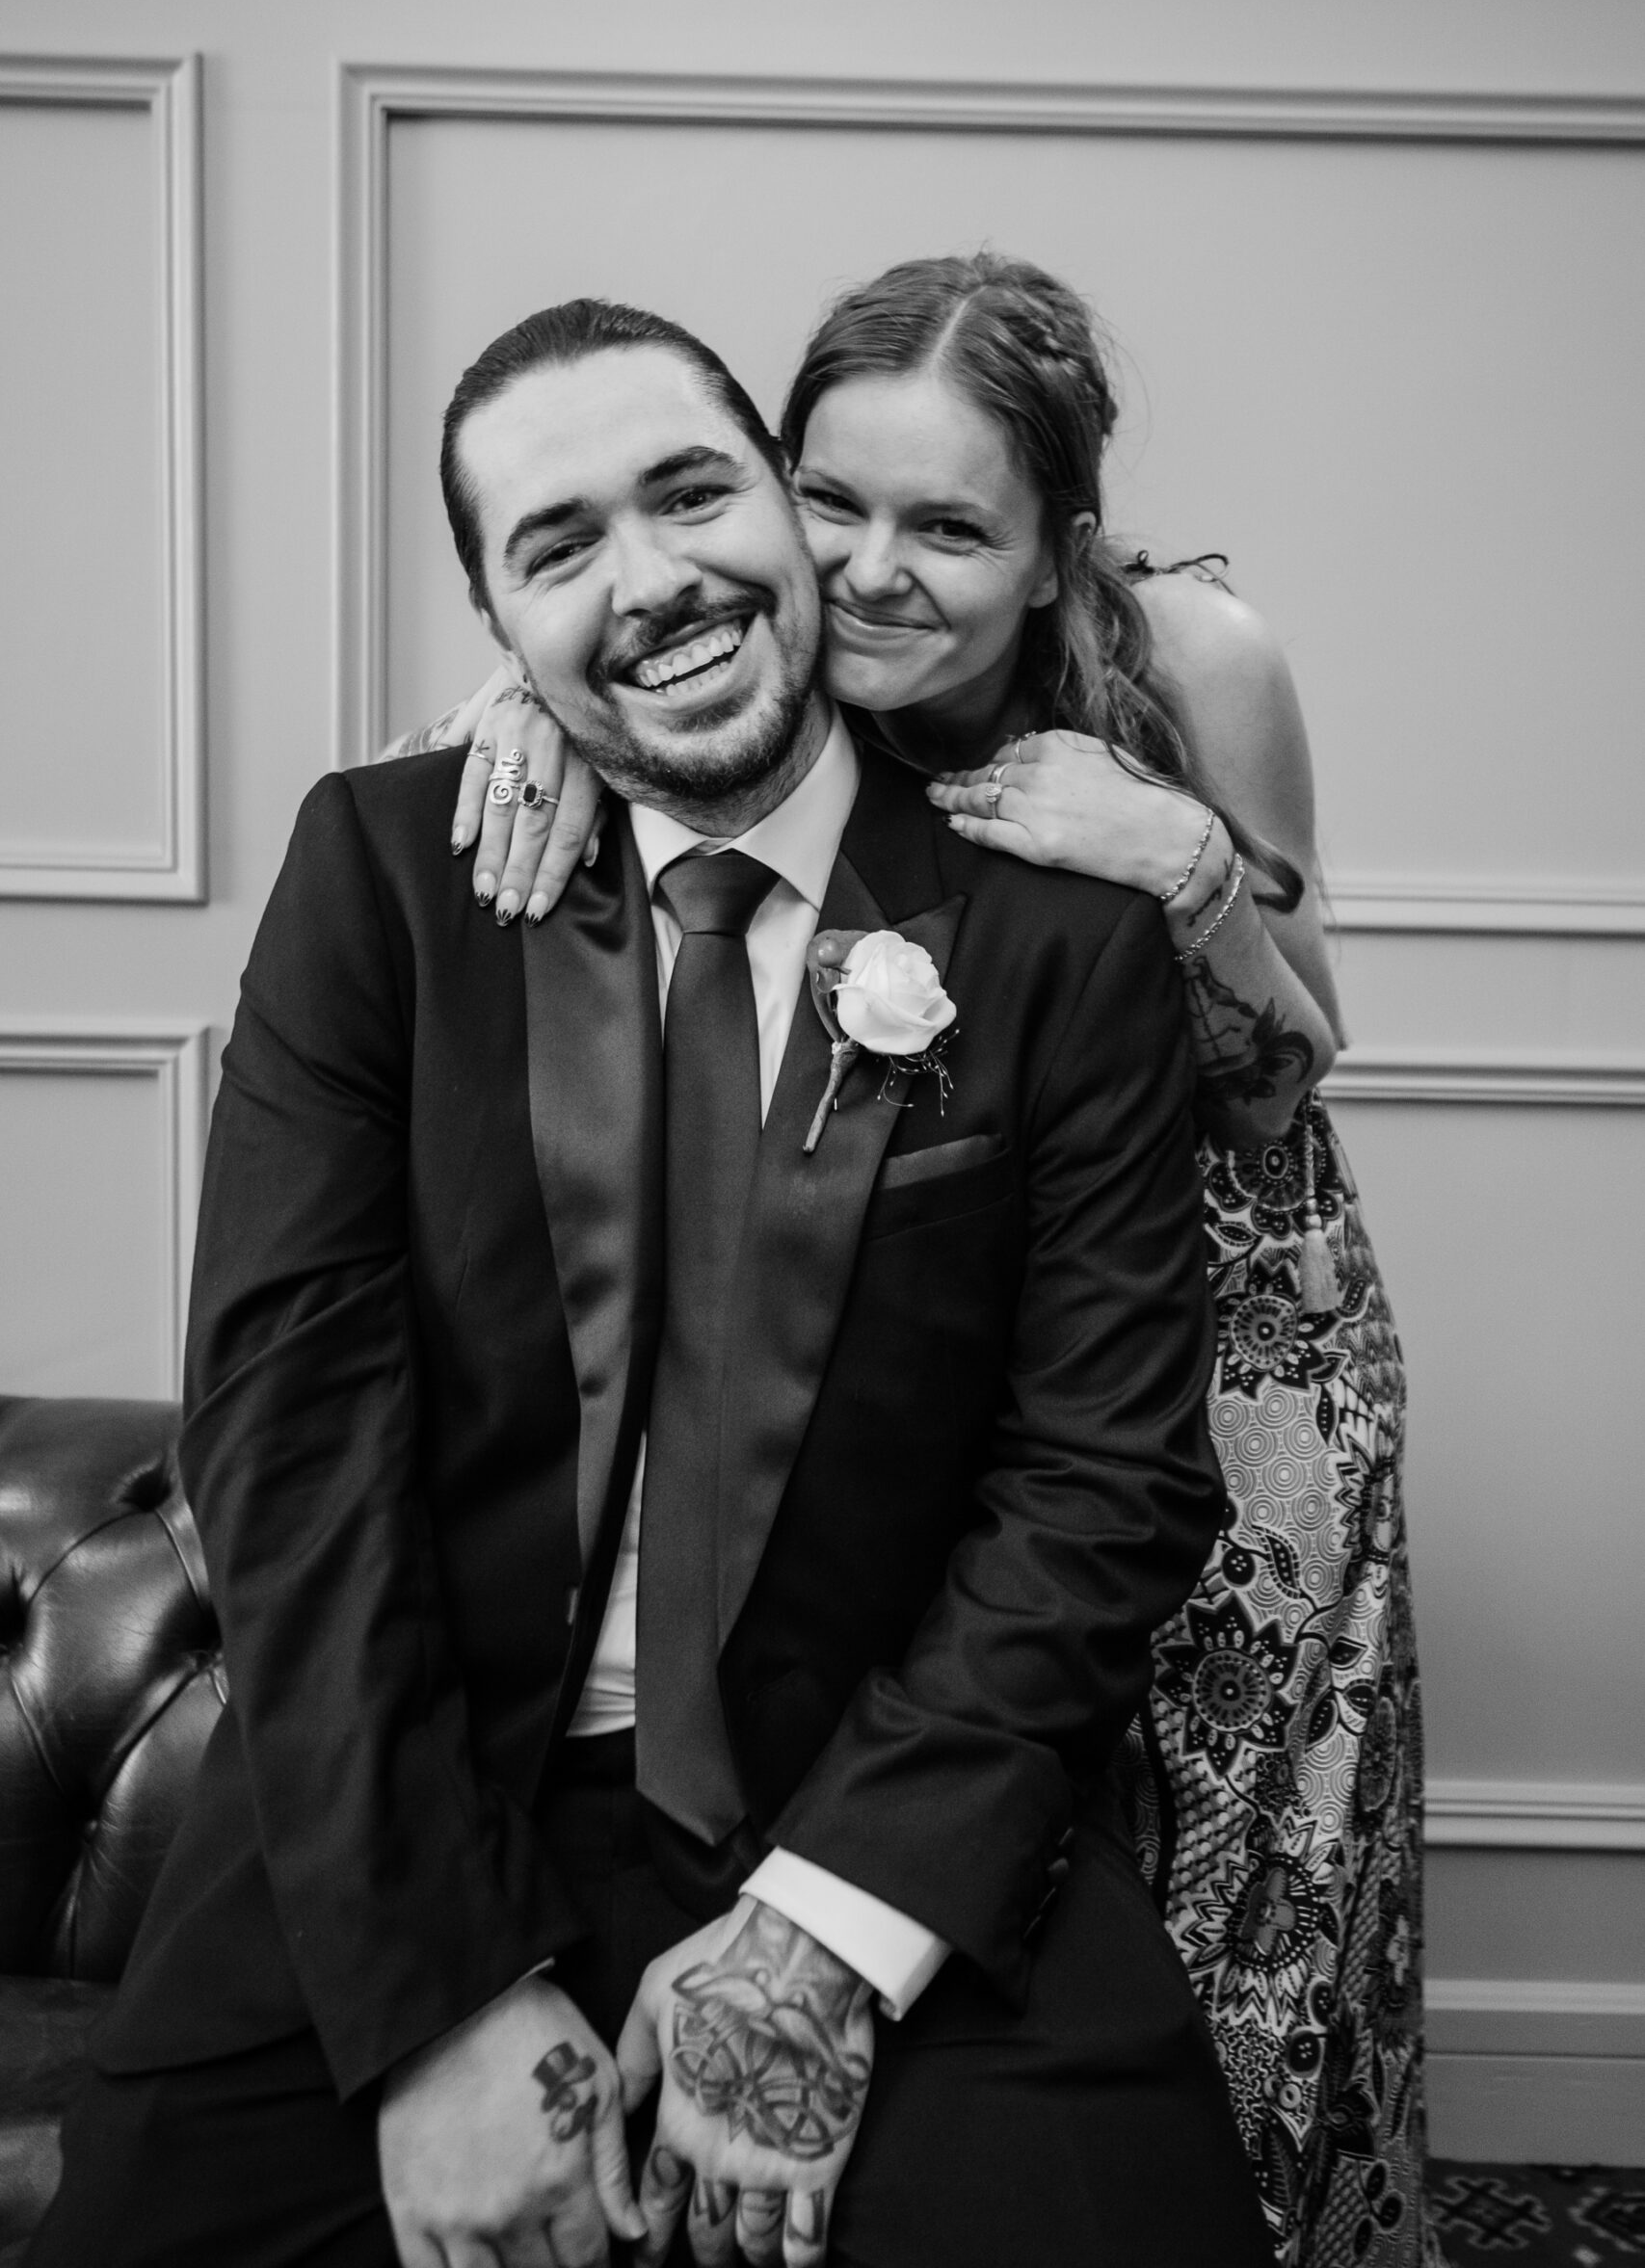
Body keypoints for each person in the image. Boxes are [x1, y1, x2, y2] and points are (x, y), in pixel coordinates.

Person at [30, 294, 1275, 2268]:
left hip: (876, 1786)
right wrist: (436, 1993)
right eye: (557, 545)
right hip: (412, 1804)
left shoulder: (1052, 926)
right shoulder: (386, 874)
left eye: (691, 491)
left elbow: (1100, 1481)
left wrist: (813, 1942)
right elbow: (290, 1440)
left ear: (782, 509)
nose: (650, 578)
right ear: (497, 624)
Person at [412, 253, 1439, 2268]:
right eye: (829, 499)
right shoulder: (715, 662)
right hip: (942, 1290)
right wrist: (519, 709)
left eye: (949, 525)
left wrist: (1181, 868)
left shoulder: (1197, 653)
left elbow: (1299, 1045)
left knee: (1243, 1879)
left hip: (1238, 1310)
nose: (870, 569)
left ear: (1058, 548)